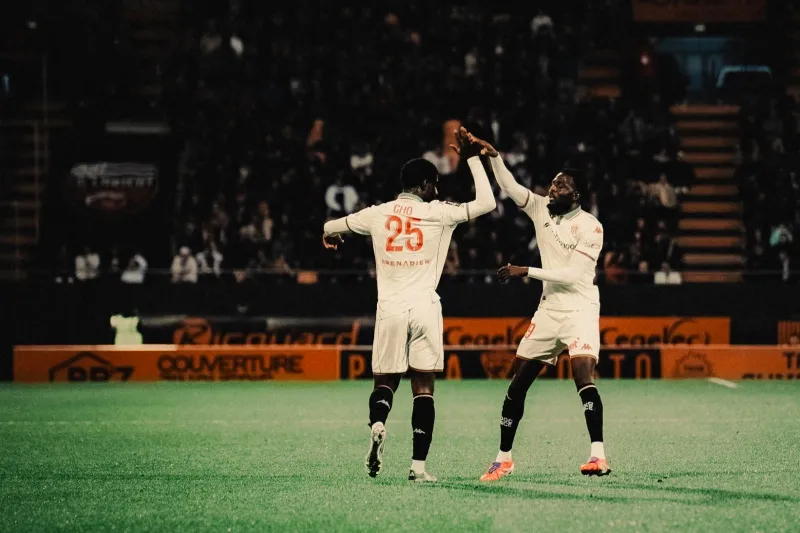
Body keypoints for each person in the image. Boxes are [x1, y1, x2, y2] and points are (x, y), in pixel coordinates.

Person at [321, 127, 496, 482]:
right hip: (425, 308)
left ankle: (380, 424)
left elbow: (329, 225)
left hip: (390, 308)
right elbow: (487, 204)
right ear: (426, 185)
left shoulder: (376, 214)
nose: (438, 190)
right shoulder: (438, 212)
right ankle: (418, 468)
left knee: (384, 382)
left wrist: (332, 235)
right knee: (424, 388)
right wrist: (474, 159)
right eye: (435, 185)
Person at [467, 133, 611, 480]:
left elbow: (573, 274)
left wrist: (525, 270)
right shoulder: (540, 209)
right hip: (549, 310)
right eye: (552, 183)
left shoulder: (590, 226)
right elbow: (512, 189)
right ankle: (504, 458)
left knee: (582, 376)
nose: (552, 189)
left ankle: (598, 455)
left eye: (560, 186)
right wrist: (494, 157)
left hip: (579, 308)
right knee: (518, 382)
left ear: (575, 195)